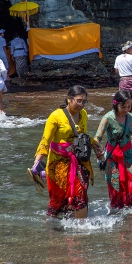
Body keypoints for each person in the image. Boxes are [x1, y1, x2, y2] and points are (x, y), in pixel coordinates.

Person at [32, 86, 102, 218]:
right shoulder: (56, 116)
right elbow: (45, 140)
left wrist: (95, 144)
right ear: (69, 99)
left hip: (78, 161)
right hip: (58, 163)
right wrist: (38, 160)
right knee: (58, 200)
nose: (81, 105)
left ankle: (82, 229)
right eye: (79, 101)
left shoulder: (84, 115)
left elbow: (82, 136)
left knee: (80, 193)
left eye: (84, 102)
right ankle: (54, 231)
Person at [94, 91, 132, 209]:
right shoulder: (108, 118)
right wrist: (98, 150)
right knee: (116, 186)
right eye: (123, 106)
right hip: (112, 158)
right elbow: (97, 138)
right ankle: (117, 216)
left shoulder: (130, 118)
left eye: (129, 106)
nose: (126, 109)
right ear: (115, 104)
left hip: (129, 156)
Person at [114, 41, 132, 118]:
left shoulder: (118, 57)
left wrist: (123, 75)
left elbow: (116, 70)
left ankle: (122, 116)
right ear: (127, 49)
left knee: (123, 100)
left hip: (123, 80)